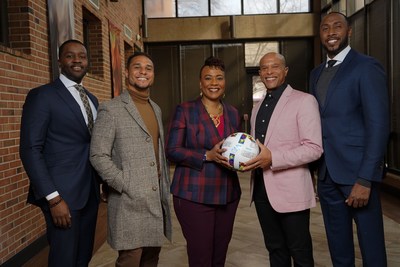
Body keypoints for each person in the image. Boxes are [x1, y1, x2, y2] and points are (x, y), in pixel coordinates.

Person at [309, 12, 390, 266]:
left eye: (337, 26)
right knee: (338, 249)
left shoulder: (367, 67)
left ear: (349, 31)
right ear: (320, 35)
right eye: (325, 28)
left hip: (358, 176)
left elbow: (378, 125)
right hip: (327, 176)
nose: (331, 32)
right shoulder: (315, 73)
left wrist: (366, 178)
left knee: (372, 248)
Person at [19, 39, 100, 267]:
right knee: (63, 260)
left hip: (90, 192)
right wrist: (53, 199)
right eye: (70, 56)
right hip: (62, 195)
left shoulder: (91, 99)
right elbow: (30, 149)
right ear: (59, 61)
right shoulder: (42, 96)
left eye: (82, 56)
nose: (77, 60)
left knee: (83, 258)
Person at [89, 52, 172, 267]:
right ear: (127, 72)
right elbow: (98, 155)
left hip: (154, 201)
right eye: (137, 67)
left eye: (148, 68)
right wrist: (125, 184)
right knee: (130, 260)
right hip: (129, 202)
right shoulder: (111, 109)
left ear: (153, 74)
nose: (143, 72)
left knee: (151, 259)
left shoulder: (156, 108)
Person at [241, 52, 323, 267]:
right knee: (275, 249)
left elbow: (314, 149)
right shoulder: (257, 107)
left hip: (291, 190)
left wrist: (273, 158)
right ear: (259, 73)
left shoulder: (304, 101)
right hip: (260, 189)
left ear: (285, 71)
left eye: (275, 67)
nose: (269, 72)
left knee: (300, 251)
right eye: (264, 68)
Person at [166, 56, 241, 267]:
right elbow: (171, 150)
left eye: (219, 78)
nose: (214, 83)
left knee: (219, 256)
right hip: (194, 194)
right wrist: (205, 156)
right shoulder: (185, 110)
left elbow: (236, 150)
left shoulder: (233, 113)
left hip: (228, 194)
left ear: (225, 82)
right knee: (201, 257)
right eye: (208, 78)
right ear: (200, 83)